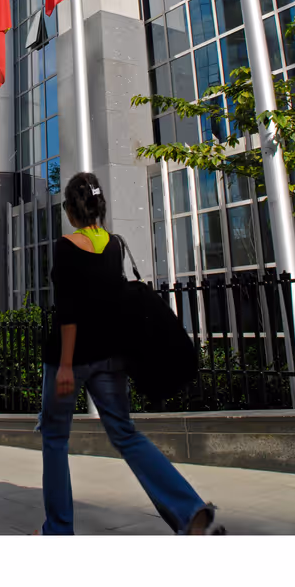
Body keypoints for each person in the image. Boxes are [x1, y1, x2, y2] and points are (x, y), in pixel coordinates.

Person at [38, 171, 224, 536]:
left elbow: (68, 312)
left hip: (71, 360)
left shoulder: (65, 246)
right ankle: (189, 512)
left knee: (55, 438)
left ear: (72, 211)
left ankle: (57, 530)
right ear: (98, 206)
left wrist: (64, 366)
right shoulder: (113, 245)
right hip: (111, 358)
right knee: (125, 433)